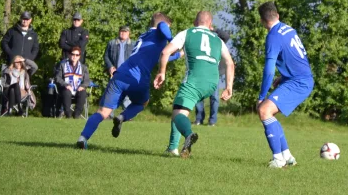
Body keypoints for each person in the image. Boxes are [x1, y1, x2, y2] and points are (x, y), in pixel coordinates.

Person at [77, 12, 182, 149]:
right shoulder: (159, 32)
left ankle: (83, 138)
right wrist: (173, 41)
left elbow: (158, 57)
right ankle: (122, 117)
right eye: (169, 27)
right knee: (142, 102)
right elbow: (162, 25)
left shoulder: (146, 36)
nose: (168, 30)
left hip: (120, 74)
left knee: (102, 112)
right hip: (138, 79)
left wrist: (178, 54)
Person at [156, 11, 234, 158]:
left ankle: (188, 134)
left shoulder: (187, 33)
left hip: (194, 80)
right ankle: (172, 148)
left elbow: (165, 52)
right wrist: (229, 86)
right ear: (210, 25)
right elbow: (230, 63)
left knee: (177, 114)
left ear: (194, 21)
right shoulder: (218, 40)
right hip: (212, 83)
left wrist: (162, 73)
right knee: (180, 110)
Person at [255, 1, 314, 168]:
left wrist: (261, 96)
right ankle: (287, 156)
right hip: (300, 79)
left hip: (299, 82)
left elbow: (268, 70)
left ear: (262, 21)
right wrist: (284, 77)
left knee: (264, 110)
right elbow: (297, 57)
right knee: (270, 113)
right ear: (277, 15)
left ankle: (278, 159)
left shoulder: (273, 36)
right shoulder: (288, 29)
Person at [194, 28, 231, 126]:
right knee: (198, 96)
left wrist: (214, 29)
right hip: (201, 71)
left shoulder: (217, 39)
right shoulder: (199, 38)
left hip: (215, 72)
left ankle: (212, 121)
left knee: (214, 97)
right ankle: (199, 119)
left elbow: (226, 36)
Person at [103, 26, 134, 110]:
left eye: (125, 32)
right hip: (115, 72)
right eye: (121, 31)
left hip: (128, 72)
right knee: (112, 93)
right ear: (119, 32)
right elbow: (106, 56)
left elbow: (136, 58)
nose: (123, 33)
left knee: (127, 93)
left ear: (128, 33)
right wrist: (110, 67)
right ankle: (109, 113)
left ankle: (126, 114)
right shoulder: (112, 43)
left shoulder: (133, 44)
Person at [55, 46, 90, 118]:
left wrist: (82, 86)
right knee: (66, 92)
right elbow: (57, 78)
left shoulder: (83, 67)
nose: (74, 56)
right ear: (69, 55)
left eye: (77, 55)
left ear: (79, 57)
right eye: (73, 54)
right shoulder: (63, 65)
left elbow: (87, 80)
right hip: (66, 89)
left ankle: (77, 114)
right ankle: (68, 114)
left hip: (78, 89)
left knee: (83, 93)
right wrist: (65, 84)